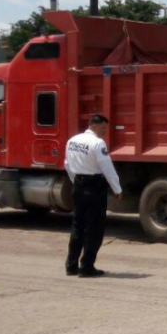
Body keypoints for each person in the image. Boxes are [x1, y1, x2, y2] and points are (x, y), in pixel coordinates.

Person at [64, 114, 122, 278]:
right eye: (103, 128)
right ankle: (87, 266)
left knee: (77, 226)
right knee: (93, 228)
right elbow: (107, 167)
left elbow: (67, 164)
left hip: (78, 186)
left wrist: (76, 181)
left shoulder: (72, 141)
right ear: (94, 126)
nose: (105, 132)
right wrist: (116, 188)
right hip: (94, 188)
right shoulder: (97, 143)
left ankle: (71, 265)